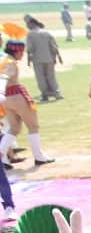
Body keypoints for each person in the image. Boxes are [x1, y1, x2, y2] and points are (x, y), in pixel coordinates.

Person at [1, 30, 55, 167]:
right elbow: (4, 77)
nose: (23, 54)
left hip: (7, 99)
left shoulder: (3, 59)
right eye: (21, 52)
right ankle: (39, 156)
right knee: (33, 126)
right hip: (15, 95)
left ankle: (3, 157)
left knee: (14, 128)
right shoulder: (10, 62)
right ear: (17, 51)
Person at [24, 16, 63, 102]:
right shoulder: (47, 32)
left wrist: (28, 60)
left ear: (32, 23)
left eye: (27, 24)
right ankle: (57, 94)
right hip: (49, 58)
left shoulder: (30, 34)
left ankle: (45, 94)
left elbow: (30, 49)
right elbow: (54, 47)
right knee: (51, 76)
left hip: (37, 59)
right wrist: (56, 57)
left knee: (40, 78)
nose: (27, 26)